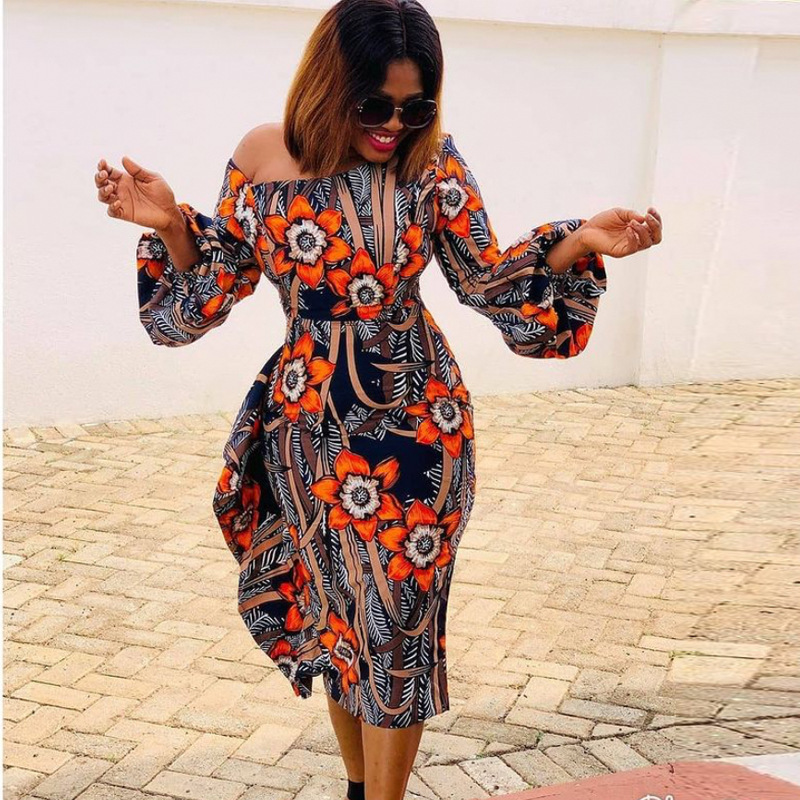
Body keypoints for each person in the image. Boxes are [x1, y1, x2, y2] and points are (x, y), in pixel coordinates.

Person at [94, 0, 662, 796]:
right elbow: (205, 298)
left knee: (398, 632)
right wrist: (171, 228)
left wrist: (579, 242)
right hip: (307, 430)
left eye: (414, 107)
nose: (395, 124)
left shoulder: (433, 163)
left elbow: (486, 280)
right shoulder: (260, 156)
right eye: (375, 105)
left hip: (418, 426)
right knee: (342, 624)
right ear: (330, 85)